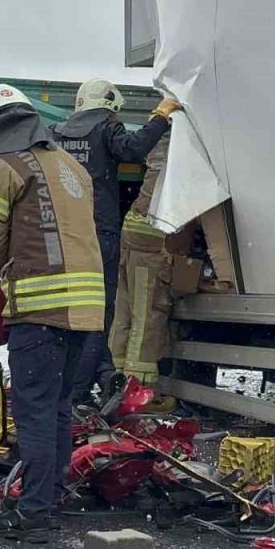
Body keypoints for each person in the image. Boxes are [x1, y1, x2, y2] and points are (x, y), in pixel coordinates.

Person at [0, 84, 103, 544]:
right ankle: (51, 496)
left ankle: (32, 516)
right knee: (59, 409)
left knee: (36, 413)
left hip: (41, 310)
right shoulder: (72, 167)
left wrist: (10, 261)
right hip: (85, 312)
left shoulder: (5, 165)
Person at [51, 78, 178, 404]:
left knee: (68, 313)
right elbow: (134, 149)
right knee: (97, 314)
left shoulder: (56, 135)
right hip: (98, 235)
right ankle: (76, 394)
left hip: (63, 236)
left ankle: (100, 374)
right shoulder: (106, 130)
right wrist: (161, 116)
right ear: (108, 106)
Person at [108, 130, 183, 406]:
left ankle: (115, 384)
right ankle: (139, 393)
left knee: (124, 313)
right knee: (148, 314)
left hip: (133, 228)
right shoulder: (178, 150)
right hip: (152, 233)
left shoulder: (159, 148)